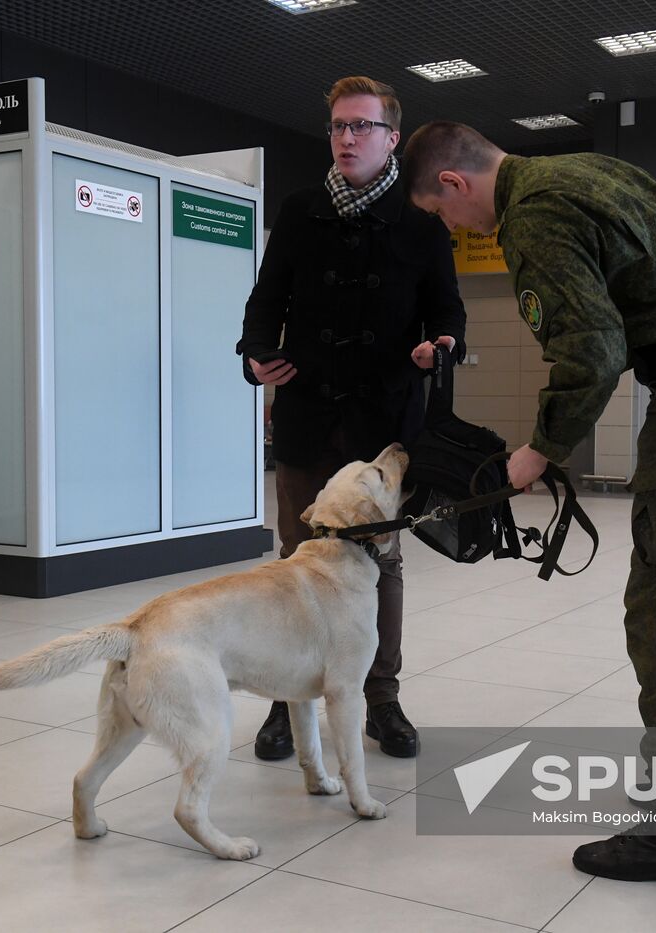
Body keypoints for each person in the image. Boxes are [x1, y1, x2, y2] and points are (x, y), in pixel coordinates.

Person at [402, 122, 656, 884]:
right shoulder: (579, 169)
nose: (449, 232)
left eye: (440, 214)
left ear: (455, 184)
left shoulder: (534, 215)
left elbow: (591, 347)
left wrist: (537, 450)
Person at [237, 78, 466, 761]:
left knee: (382, 562)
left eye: (361, 127)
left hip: (383, 423)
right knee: (294, 559)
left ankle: (381, 697)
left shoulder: (423, 225)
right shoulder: (301, 210)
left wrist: (442, 345)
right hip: (307, 415)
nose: (345, 138)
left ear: (392, 137)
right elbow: (264, 300)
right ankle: (286, 699)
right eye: (338, 126)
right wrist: (254, 356)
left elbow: (448, 311)